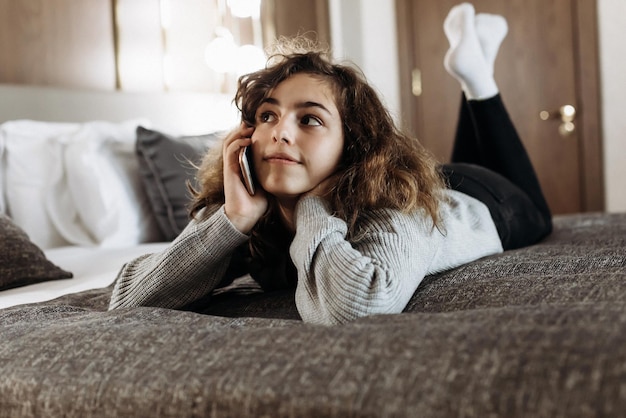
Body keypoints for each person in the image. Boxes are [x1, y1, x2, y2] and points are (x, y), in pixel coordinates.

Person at [109, 3, 552, 325]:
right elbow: (127, 301)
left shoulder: (390, 212)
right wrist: (232, 220)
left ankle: (478, 80)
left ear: (352, 145)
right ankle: (474, 68)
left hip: (484, 200)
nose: (280, 132)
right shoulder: (243, 208)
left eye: (310, 119)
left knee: (539, 208)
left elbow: (356, 307)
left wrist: (314, 208)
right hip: (429, 183)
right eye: (267, 115)